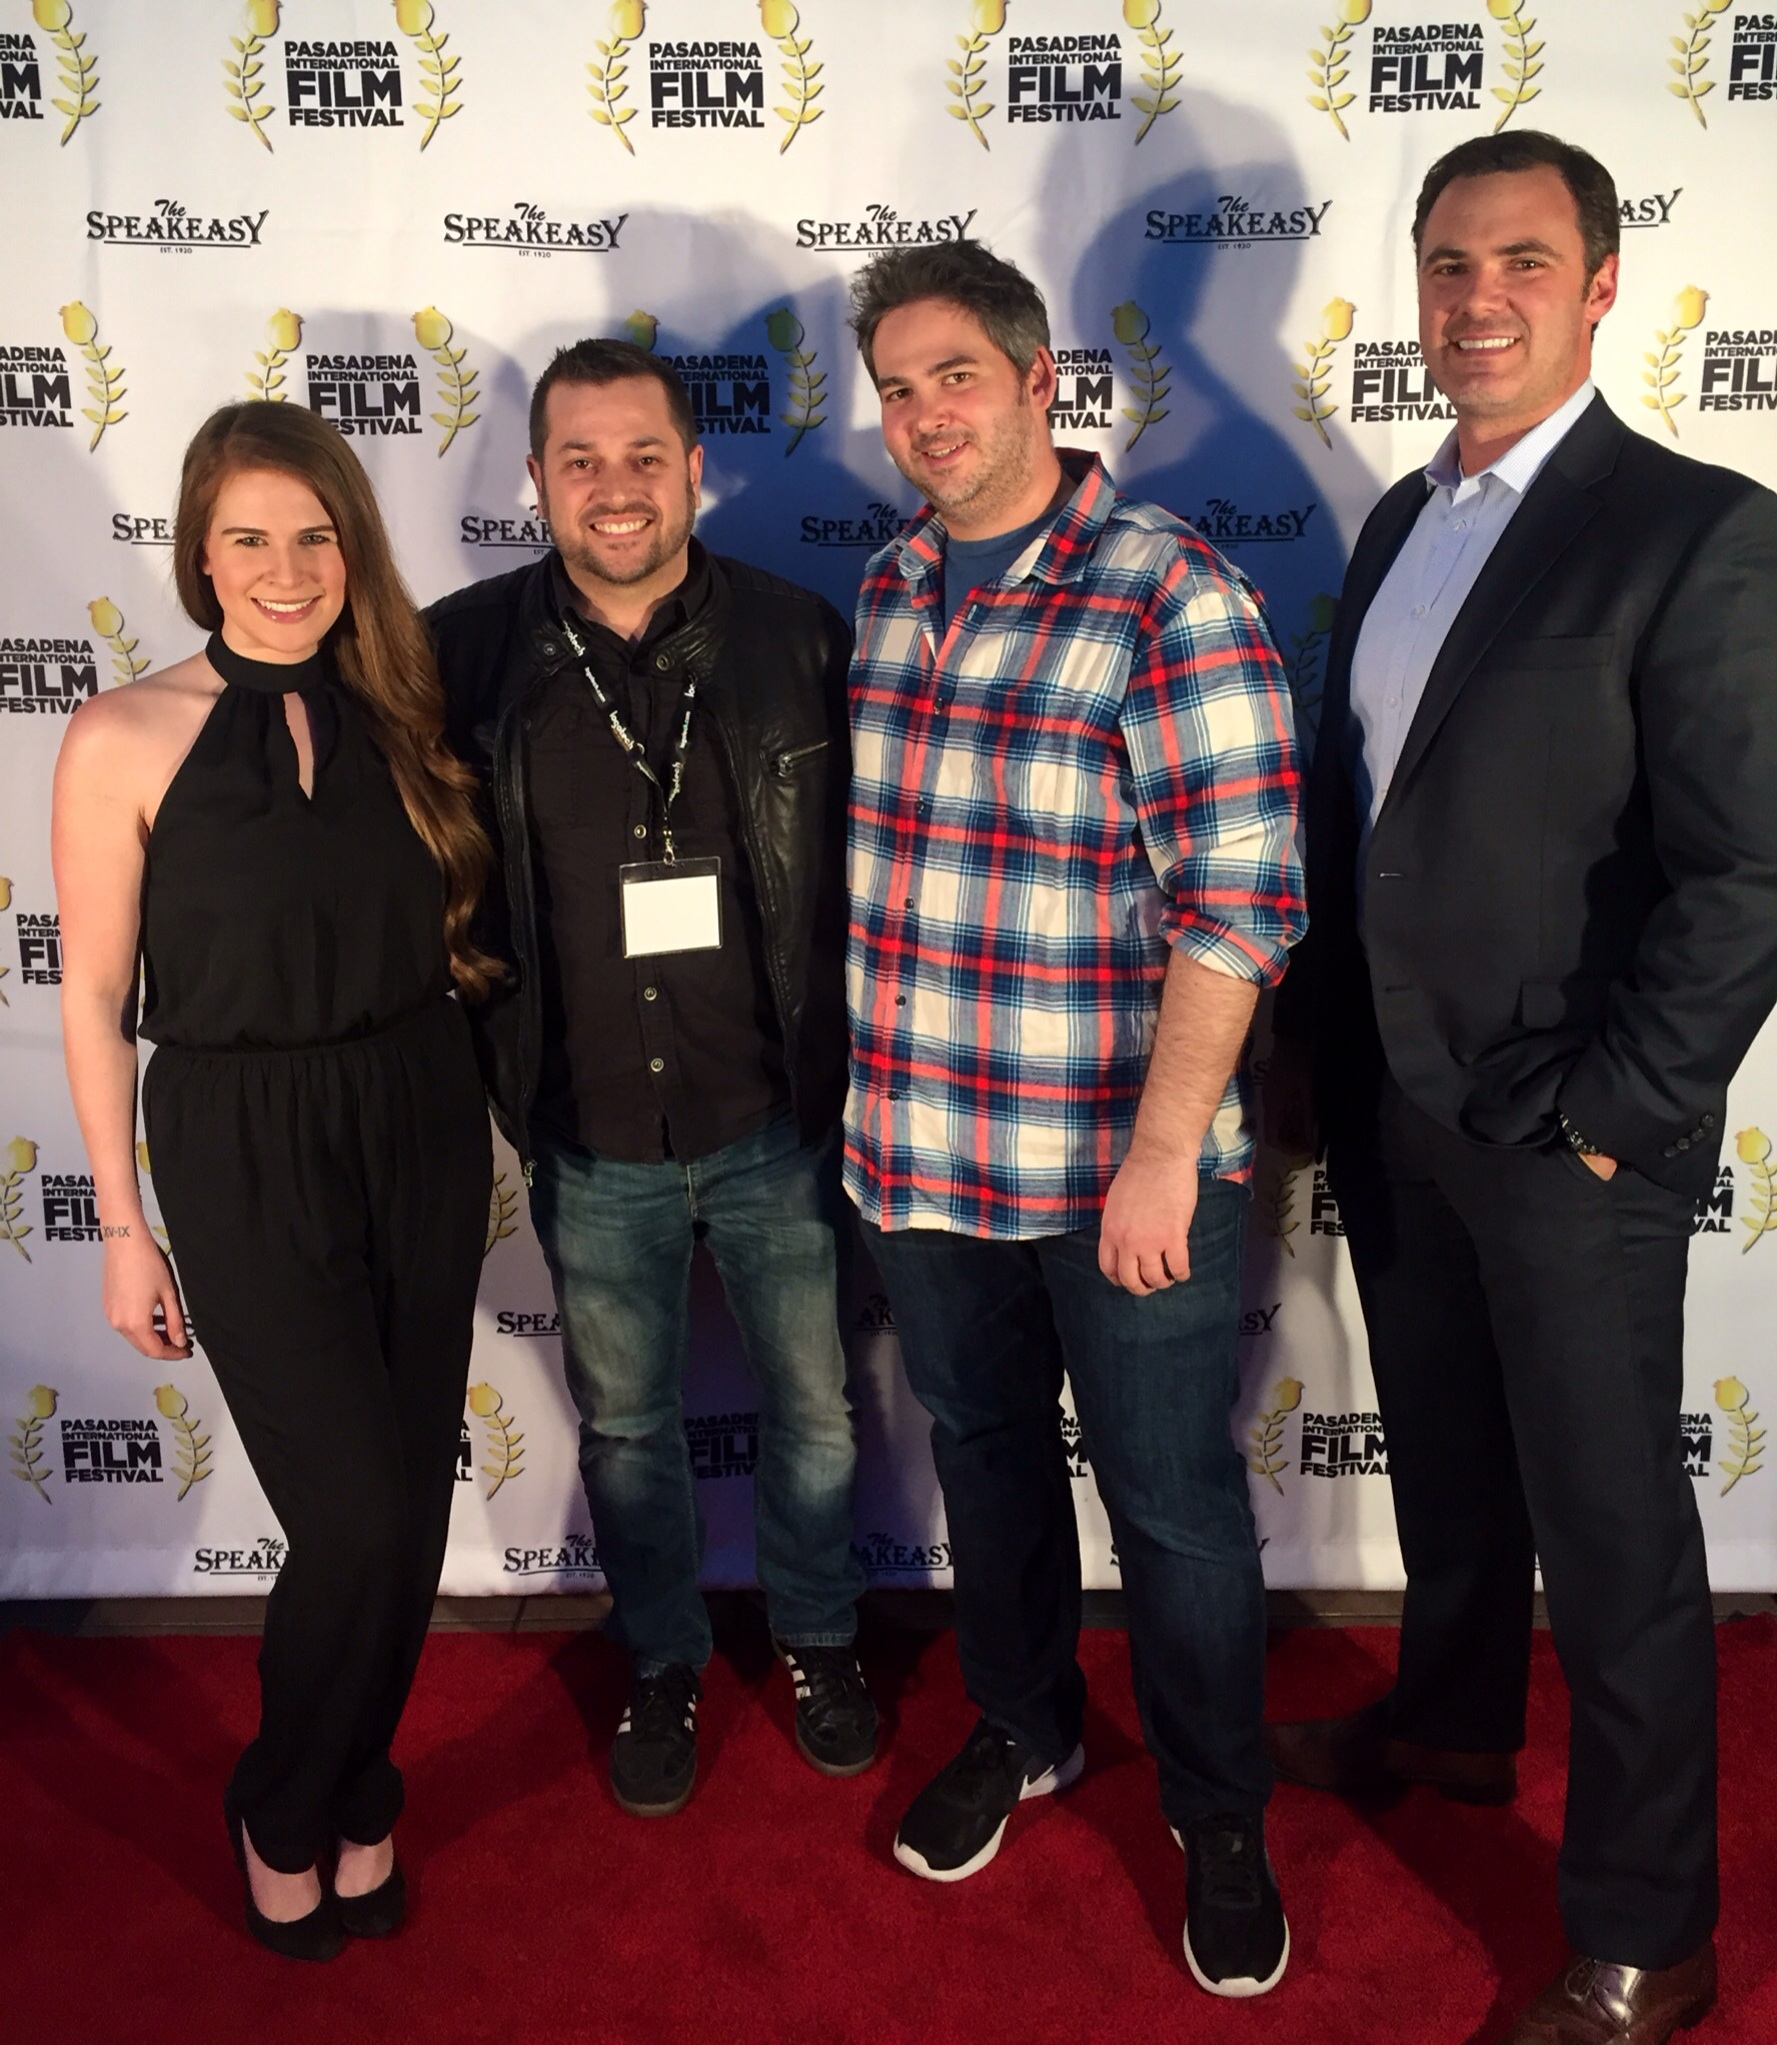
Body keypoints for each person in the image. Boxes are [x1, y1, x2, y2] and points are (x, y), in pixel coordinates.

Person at [1265, 131, 1777, 2045]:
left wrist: (1618, 1106)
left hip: (1574, 1135)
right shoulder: (1403, 521)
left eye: (1519, 263)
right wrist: (1321, 1059)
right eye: (1447, 264)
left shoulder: (1694, 527)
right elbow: (1366, 822)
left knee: (1614, 1538)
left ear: (1597, 287)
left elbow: (1749, 870)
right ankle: (1454, 1728)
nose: (1475, 298)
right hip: (1403, 1108)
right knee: (1455, 1472)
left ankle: (1650, 1935)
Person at [843, 241, 1305, 1997]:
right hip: (925, 1160)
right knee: (982, 1463)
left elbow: (1239, 901)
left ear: (1042, 381)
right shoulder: (892, 591)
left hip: (1126, 1180)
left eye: (955, 373)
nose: (923, 415)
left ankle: (1217, 1809)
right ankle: (1026, 1726)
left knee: (1176, 1507)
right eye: (895, 386)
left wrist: (1166, 1151)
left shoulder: (1163, 592)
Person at [52, 401, 496, 1960]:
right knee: (355, 1520)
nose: (283, 568)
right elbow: (93, 995)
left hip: (421, 1112)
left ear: (352, 547)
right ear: (197, 550)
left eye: (313, 535)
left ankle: (360, 1782)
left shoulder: (405, 712)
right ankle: (284, 1798)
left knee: (414, 1504)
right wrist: (122, 1228)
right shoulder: (120, 735)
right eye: (247, 536)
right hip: (237, 1138)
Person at [425, 339, 875, 1818]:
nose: (612, 490)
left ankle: (816, 1638)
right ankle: (664, 1653)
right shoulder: (462, 654)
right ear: (536, 480)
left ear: (698, 467)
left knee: (814, 1411)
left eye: (641, 457)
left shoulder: (804, 636)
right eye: (578, 460)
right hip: (587, 1130)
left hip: (773, 1122)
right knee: (628, 1427)